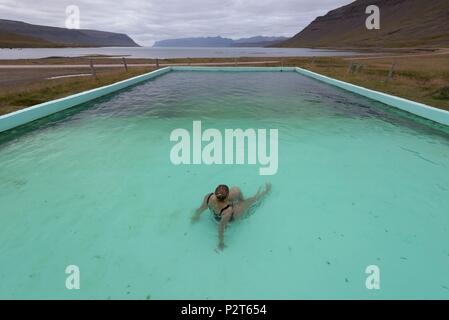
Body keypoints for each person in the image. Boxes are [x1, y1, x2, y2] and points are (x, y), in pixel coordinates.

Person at [192, 183, 271, 250]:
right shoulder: (227, 210)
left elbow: (201, 208)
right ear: (227, 196)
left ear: (215, 192)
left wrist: (195, 216)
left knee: (236, 190)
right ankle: (265, 192)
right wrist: (221, 243)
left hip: (219, 211)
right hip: (230, 216)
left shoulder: (208, 197)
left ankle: (242, 200)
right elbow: (221, 227)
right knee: (252, 200)